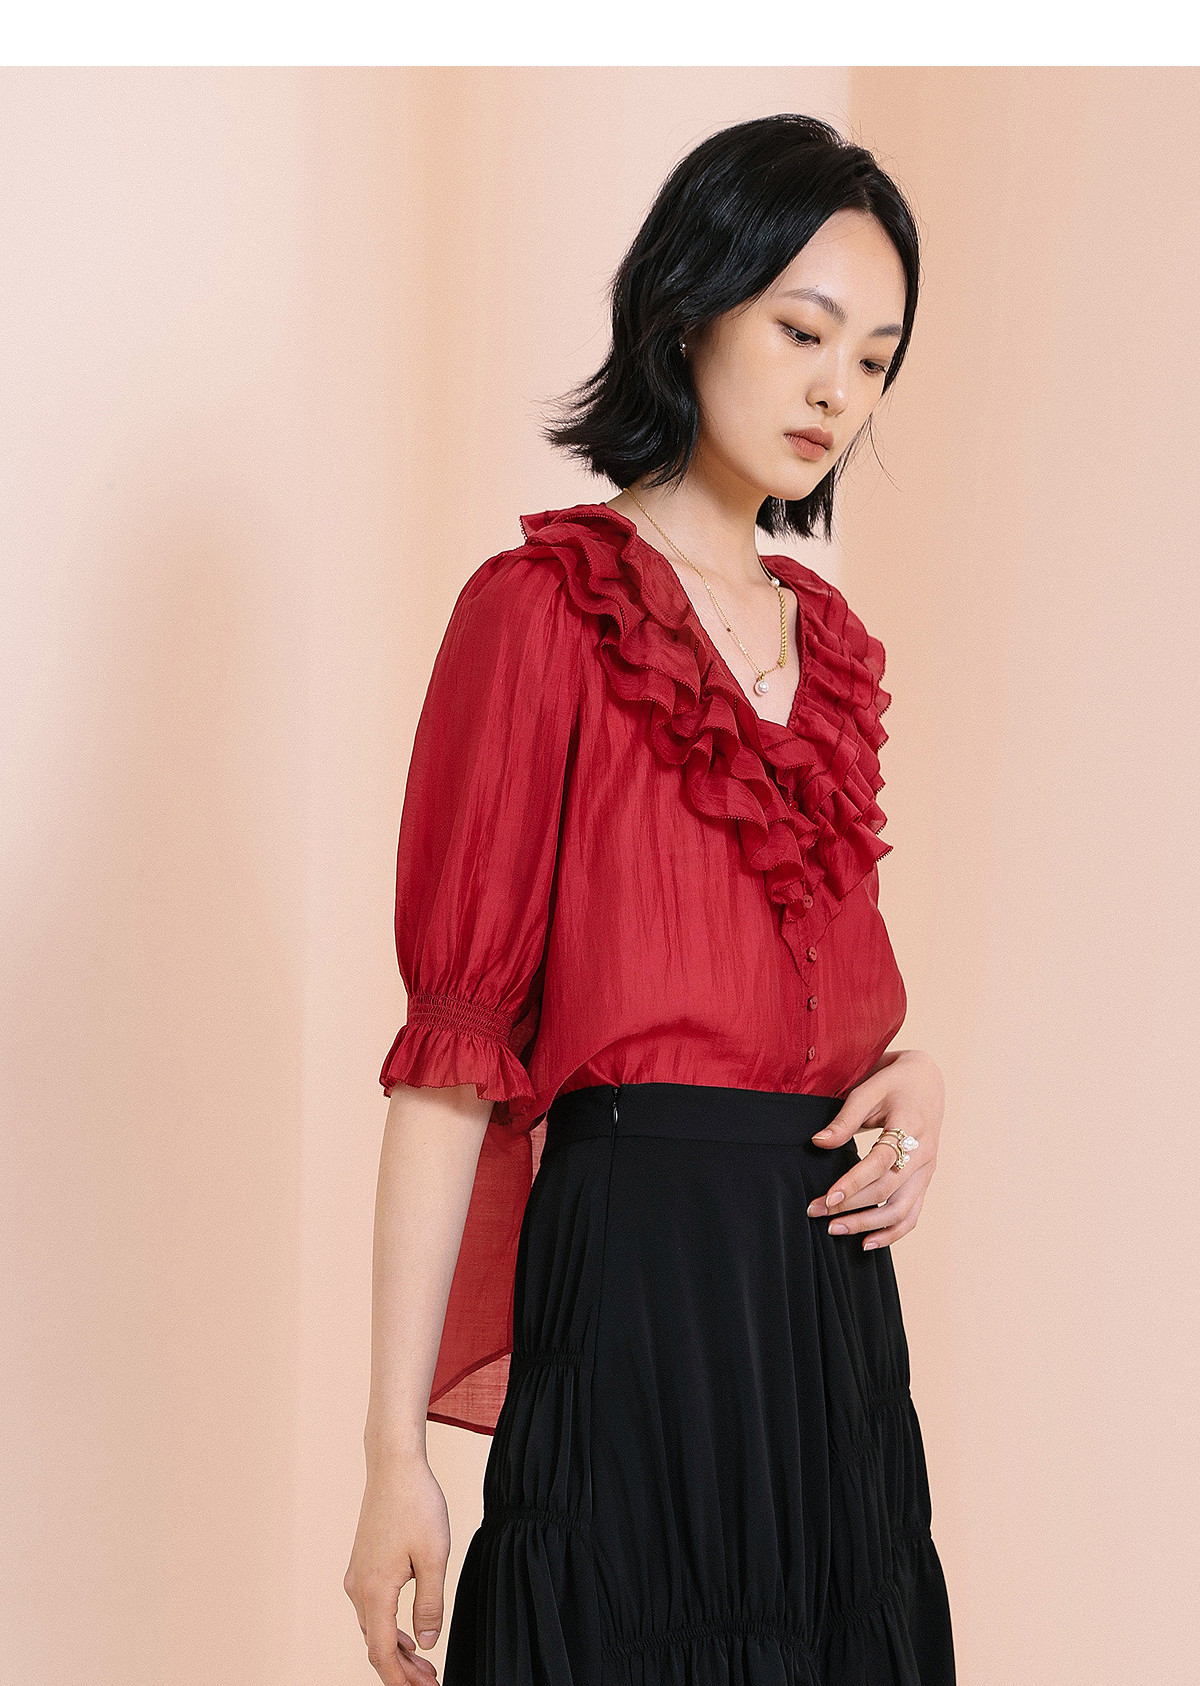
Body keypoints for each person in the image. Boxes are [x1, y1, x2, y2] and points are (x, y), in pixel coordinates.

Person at [345, 112, 956, 1686]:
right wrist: (394, 1453)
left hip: (823, 1322)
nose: (837, 391)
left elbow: (809, 1004)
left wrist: (911, 1081)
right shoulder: (541, 614)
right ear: (691, 309)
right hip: (640, 1303)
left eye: (874, 359)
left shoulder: (833, 651)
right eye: (803, 331)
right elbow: (450, 1060)